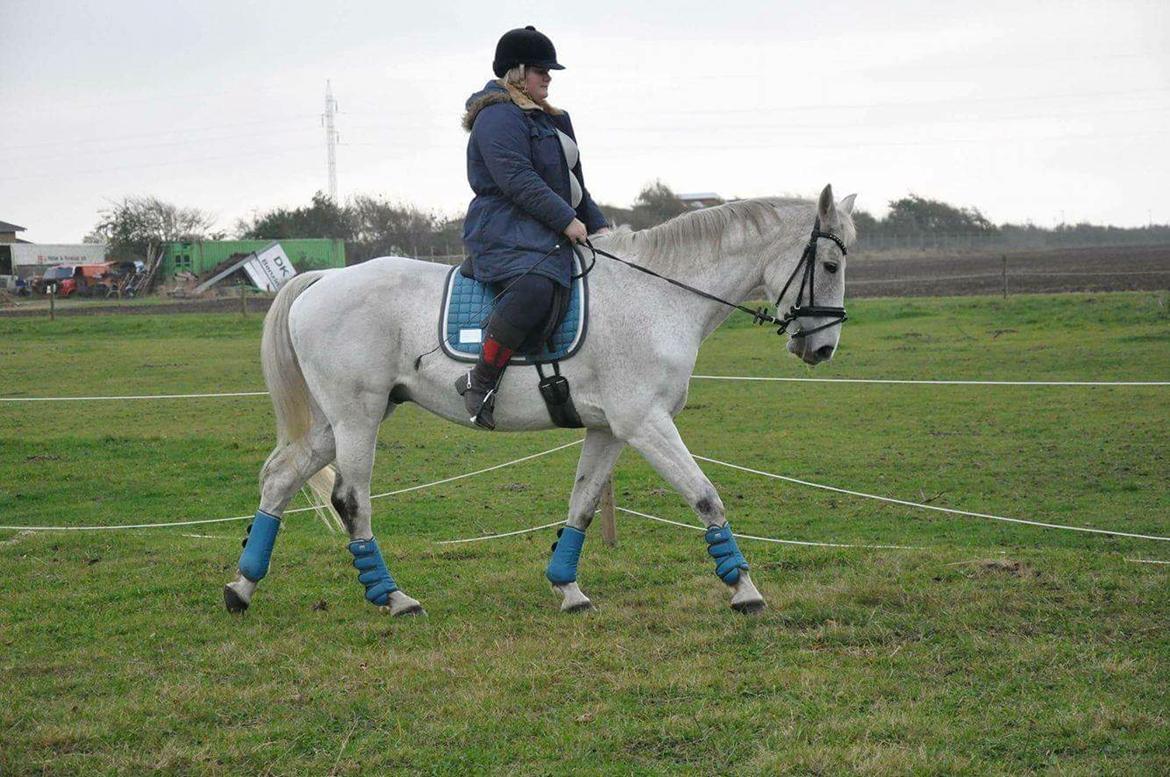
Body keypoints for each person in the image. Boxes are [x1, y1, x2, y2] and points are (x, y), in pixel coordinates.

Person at [458, 25, 609, 430]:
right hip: (505, 231)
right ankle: (481, 380)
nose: (549, 77)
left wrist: (602, 231)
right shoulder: (496, 117)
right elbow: (517, 180)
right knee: (537, 285)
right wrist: (566, 221)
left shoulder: (556, 120)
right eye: (541, 70)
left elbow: (576, 186)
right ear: (518, 71)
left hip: (546, 229)